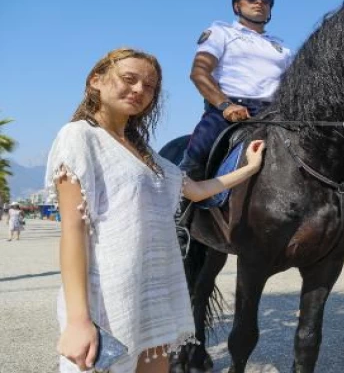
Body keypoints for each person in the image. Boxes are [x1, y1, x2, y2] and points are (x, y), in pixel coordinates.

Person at [47, 48, 266, 373]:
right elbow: (73, 231)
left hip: (155, 295)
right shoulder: (79, 137)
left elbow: (197, 189)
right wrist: (79, 320)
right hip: (109, 299)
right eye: (129, 79)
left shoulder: (146, 154)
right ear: (96, 80)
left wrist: (249, 168)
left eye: (149, 87)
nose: (139, 90)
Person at [180, 0, 292, 182]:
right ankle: (179, 202)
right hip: (229, 111)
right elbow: (199, 72)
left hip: (274, 113)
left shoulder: (281, 49)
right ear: (236, 5)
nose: (259, 1)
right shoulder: (220, 33)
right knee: (201, 149)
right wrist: (226, 106)